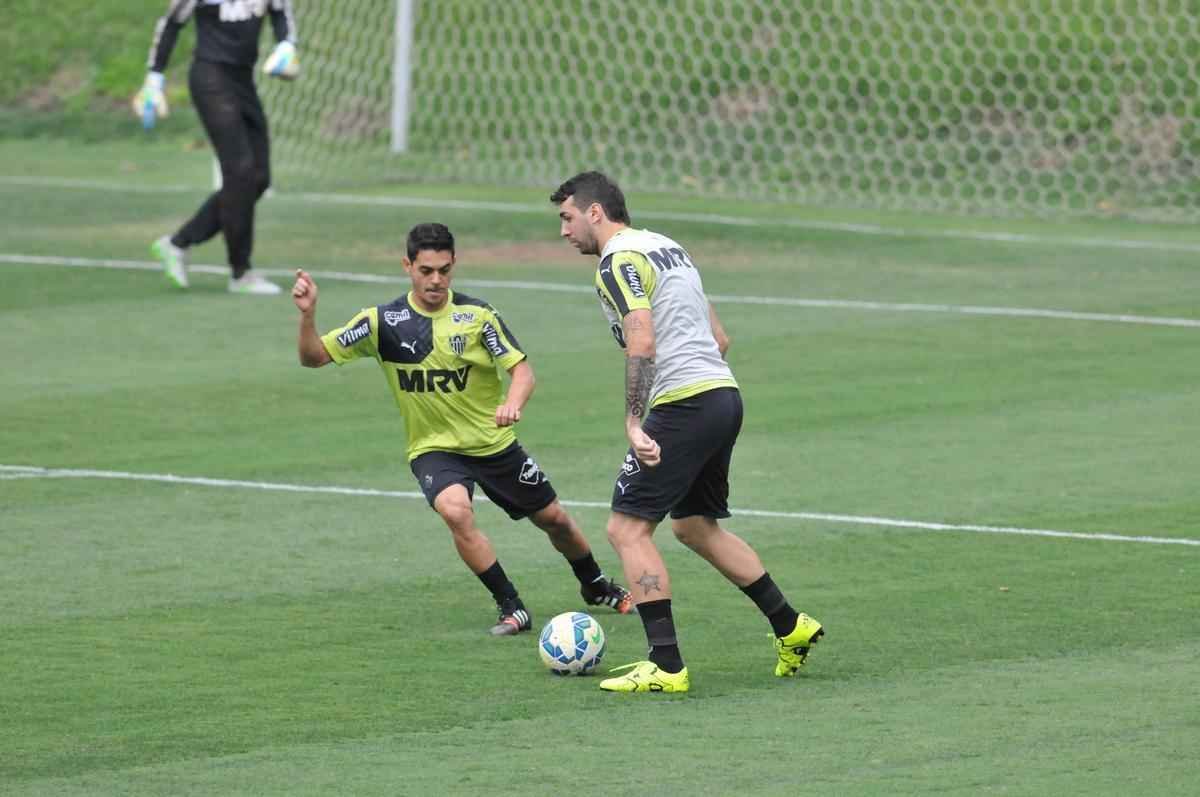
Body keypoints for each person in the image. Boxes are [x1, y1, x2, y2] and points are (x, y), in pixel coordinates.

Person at [550, 171, 824, 693]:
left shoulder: (617, 262)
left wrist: (636, 419)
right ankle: (791, 626)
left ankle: (666, 665)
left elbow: (643, 339)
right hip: (723, 396)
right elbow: (719, 337)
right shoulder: (669, 248)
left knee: (626, 530)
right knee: (695, 526)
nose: (563, 232)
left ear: (594, 212)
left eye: (567, 218)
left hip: (686, 403)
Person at [291, 222, 634, 635]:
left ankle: (594, 584)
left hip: (492, 445)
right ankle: (512, 606)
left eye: (444, 270)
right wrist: (309, 315)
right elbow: (313, 358)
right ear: (407, 266)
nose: (436, 280)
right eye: (426, 270)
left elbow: (522, 372)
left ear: (454, 266)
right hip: (434, 448)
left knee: (554, 520)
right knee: (456, 511)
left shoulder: (477, 316)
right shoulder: (382, 322)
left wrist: (513, 402)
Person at [134, 0, 301, 295]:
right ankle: (241, 272)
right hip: (210, 77)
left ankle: (176, 244)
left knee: (258, 179)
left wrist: (286, 44)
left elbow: (280, 12)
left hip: (243, 80)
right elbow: (171, 22)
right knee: (240, 171)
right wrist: (154, 77)